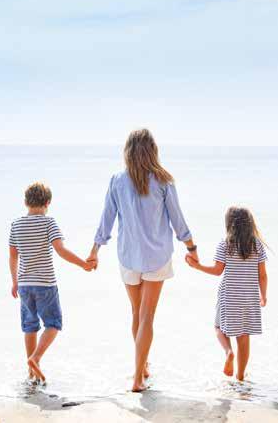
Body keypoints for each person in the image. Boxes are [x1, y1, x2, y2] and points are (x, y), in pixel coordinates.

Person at [86, 128, 197, 392]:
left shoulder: (117, 180)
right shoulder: (163, 180)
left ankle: (142, 366)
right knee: (147, 315)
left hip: (128, 256)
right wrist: (191, 246)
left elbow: (106, 219)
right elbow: (177, 218)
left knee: (136, 313)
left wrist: (95, 250)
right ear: (153, 151)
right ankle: (138, 377)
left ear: (128, 152)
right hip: (157, 256)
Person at [9, 182, 94, 382]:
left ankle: (32, 372)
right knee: (53, 323)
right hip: (45, 283)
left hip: (24, 284)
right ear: (48, 203)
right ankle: (36, 358)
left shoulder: (16, 225)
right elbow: (61, 250)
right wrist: (83, 264)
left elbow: (13, 256)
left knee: (30, 326)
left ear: (25, 202)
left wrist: (14, 281)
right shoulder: (49, 223)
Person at [185, 206, 268, 381]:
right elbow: (262, 275)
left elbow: (217, 270)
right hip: (249, 297)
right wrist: (263, 295)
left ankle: (228, 352)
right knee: (243, 336)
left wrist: (197, 266)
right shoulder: (257, 244)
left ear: (229, 224)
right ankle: (240, 376)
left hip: (229, 296)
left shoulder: (225, 244)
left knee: (218, 327)